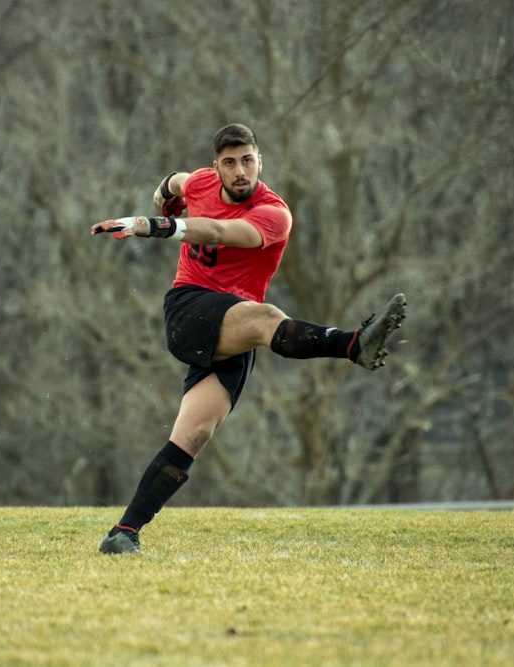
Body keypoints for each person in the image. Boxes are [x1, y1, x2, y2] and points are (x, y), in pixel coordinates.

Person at [90, 123, 406, 554]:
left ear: (260, 161)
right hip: (189, 308)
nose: (240, 171)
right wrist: (164, 197)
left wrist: (154, 222)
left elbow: (219, 233)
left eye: (248, 160)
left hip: (231, 326)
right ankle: (353, 345)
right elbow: (172, 183)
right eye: (229, 162)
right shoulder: (201, 182)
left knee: (194, 434)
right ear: (216, 167)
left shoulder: (274, 214)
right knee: (267, 319)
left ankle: (123, 533)